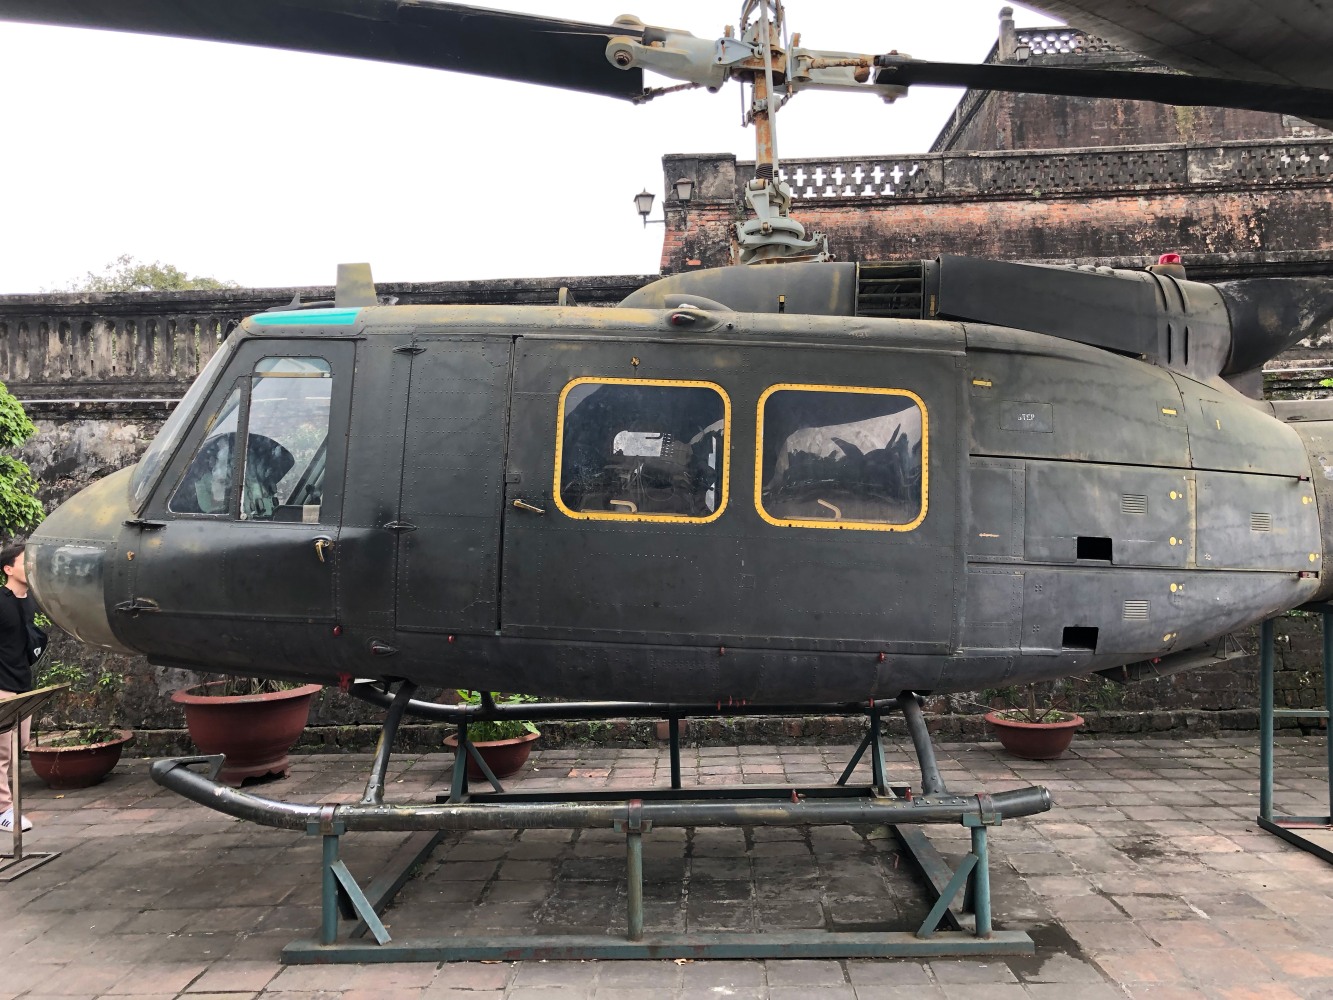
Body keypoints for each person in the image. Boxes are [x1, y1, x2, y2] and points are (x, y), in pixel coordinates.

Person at [0, 543, 45, 833]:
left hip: (23, 684)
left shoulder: (29, 600)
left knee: (19, 746)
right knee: (2, 751)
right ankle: (4, 810)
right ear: (7, 569)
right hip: (0, 685)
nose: (30, 565)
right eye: (23, 561)